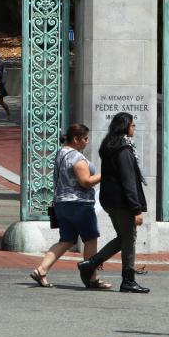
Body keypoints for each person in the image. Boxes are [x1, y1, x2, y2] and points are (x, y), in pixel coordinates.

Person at [78, 112, 150, 293]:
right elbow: (128, 181)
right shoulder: (124, 149)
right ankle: (126, 279)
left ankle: (91, 264)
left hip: (110, 199)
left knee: (123, 238)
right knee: (129, 238)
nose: (134, 128)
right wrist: (136, 209)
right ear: (125, 126)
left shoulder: (110, 144)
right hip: (122, 201)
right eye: (132, 125)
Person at [30, 124, 107, 289]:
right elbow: (85, 182)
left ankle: (41, 269)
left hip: (61, 203)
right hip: (79, 203)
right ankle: (91, 276)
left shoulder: (61, 153)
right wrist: (105, 174)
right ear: (76, 139)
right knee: (90, 238)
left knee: (66, 240)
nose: (87, 142)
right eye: (85, 139)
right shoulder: (77, 158)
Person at [0, 50, 12, 121]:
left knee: (1, 102)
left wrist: (0, 84)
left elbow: (2, 75)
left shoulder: (1, 64)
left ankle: (8, 114)